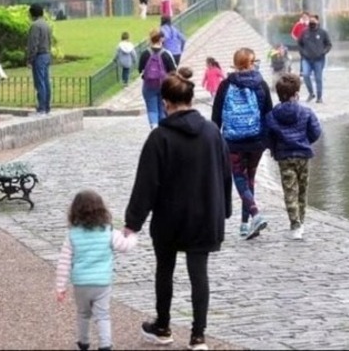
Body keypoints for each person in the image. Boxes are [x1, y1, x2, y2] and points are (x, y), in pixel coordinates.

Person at [124, 67, 232, 351]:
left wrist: (132, 222)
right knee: (199, 274)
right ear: (191, 100)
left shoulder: (160, 137)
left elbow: (146, 184)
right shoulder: (212, 133)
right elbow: (225, 173)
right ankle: (198, 336)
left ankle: (163, 326)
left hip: (170, 217)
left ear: (165, 102)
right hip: (206, 215)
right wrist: (225, 210)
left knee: (165, 271)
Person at [55, 189, 138, 351]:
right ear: (102, 211)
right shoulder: (108, 232)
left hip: (81, 283)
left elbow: (64, 262)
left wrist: (60, 287)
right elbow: (125, 246)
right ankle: (105, 345)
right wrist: (132, 235)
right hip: (102, 283)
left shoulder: (72, 235)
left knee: (83, 314)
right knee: (103, 316)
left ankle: (83, 343)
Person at [211, 48, 273, 240]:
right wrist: (269, 141)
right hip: (256, 141)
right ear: (252, 63)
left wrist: (215, 139)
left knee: (239, 178)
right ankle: (245, 224)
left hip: (233, 141)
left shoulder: (225, 85)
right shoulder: (261, 84)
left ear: (236, 64)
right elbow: (268, 114)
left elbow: (216, 116)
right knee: (250, 179)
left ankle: (254, 215)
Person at [264, 73, 322, 240]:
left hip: (284, 157)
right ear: (296, 93)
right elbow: (316, 132)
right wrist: (305, 141)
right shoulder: (306, 112)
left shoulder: (272, 115)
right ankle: (301, 221)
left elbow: (268, 136)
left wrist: (274, 149)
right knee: (302, 190)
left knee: (290, 190)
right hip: (303, 155)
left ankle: (294, 223)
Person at [138, 29, 177, 129]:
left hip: (149, 85)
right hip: (164, 85)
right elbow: (173, 70)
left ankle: (154, 128)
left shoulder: (145, 53)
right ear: (161, 39)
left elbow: (140, 70)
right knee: (162, 108)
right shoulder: (166, 54)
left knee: (152, 110)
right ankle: (163, 130)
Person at [297, 15, 332, 103]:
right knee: (305, 75)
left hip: (319, 59)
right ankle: (311, 93)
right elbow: (299, 43)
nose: (312, 23)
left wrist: (323, 52)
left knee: (318, 78)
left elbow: (328, 44)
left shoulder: (323, 32)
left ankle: (319, 97)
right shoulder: (304, 32)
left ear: (317, 22)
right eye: (310, 21)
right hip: (306, 59)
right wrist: (302, 52)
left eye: (314, 21)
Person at [27, 3, 52, 115]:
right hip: (46, 54)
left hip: (39, 56)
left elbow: (33, 44)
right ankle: (46, 106)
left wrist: (30, 59)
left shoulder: (35, 26)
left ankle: (41, 107)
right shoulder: (46, 25)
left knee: (40, 82)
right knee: (46, 82)